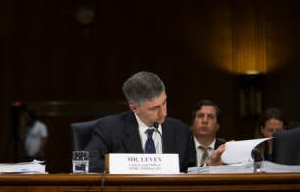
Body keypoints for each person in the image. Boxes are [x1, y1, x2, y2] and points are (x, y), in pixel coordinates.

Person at [84, 71, 224, 173]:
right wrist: (136, 165)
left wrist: (208, 166)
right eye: (155, 108)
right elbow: (86, 163)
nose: (164, 112)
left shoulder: (180, 130)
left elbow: (190, 172)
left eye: (164, 103)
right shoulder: (110, 128)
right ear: (134, 108)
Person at [187, 100, 225, 167]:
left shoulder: (224, 150)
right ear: (192, 124)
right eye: (200, 116)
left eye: (210, 117)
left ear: (217, 126)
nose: (205, 121)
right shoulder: (182, 148)